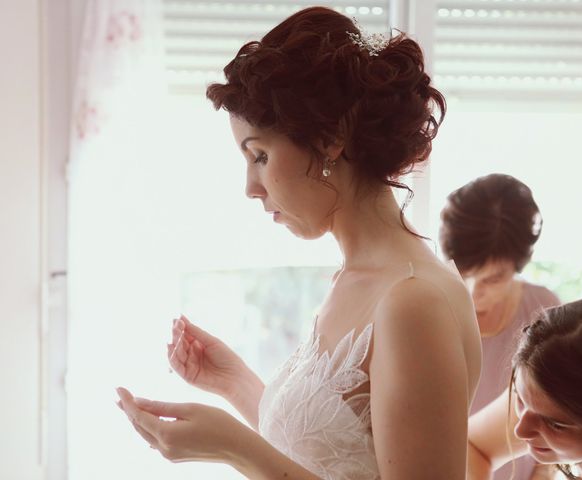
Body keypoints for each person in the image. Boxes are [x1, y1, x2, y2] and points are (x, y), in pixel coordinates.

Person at [116, 6, 481, 479]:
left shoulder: (414, 302)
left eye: (260, 156)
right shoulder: (355, 280)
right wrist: (233, 382)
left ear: (330, 141)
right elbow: (332, 452)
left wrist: (236, 449)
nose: (251, 186)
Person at [440, 173, 561, 479]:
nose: (472, 290)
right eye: (462, 271)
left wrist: (542, 474)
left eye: (492, 279)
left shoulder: (543, 309)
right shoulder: (425, 308)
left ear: (518, 267)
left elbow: (559, 412)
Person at [467, 298, 582, 480]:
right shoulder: (541, 396)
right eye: (519, 398)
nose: (520, 430)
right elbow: (473, 447)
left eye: (555, 425)